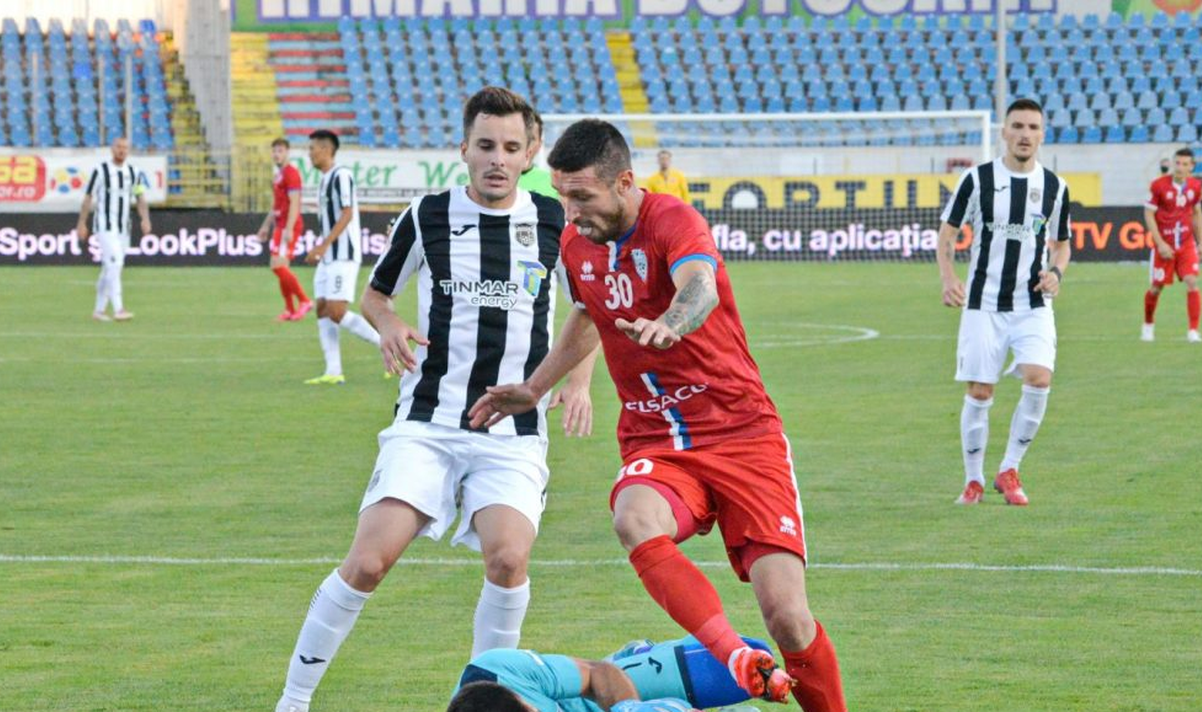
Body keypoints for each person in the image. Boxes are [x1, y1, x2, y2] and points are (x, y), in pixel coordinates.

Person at [469, 119, 846, 712]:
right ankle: (733, 655)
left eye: (582, 196)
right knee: (634, 516)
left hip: (741, 432)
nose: (570, 212)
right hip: (657, 437)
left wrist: (671, 322)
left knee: (788, 619)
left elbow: (700, 286)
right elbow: (587, 315)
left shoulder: (673, 219)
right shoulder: (575, 243)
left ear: (624, 182)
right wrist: (536, 387)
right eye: (563, 196)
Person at [273, 87, 595, 712]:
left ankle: (481, 698)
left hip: (513, 430)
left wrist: (577, 381)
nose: (497, 159)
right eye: (485, 146)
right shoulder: (427, 215)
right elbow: (376, 294)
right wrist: (389, 324)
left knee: (509, 559)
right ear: (463, 148)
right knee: (368, 562)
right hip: (428, 419)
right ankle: (293, 701)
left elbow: (588, 309)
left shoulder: (556, 221)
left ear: (529, 154)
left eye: (510, 148)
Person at [936, 98, 1072, 507]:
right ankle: (973, 479)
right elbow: (947, 235)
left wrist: (1056, 272)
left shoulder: (1055, 187)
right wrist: (949, 278)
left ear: (1042, 135)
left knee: (1039, 378)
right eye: (1018, 126)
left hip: (1032, 303)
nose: (1025, 134)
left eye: (1033, 127)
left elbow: (1061, 244)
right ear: (1004, 132)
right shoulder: (976, 180)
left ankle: (1009, 469)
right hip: (983, 302)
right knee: (980, 391)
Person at [447, 635, 772, 712]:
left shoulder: (498, 668)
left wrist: (630, 709)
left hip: (602, 700)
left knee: (749, 659)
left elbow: (596, 673)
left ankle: (637, 658)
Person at [301, 129, 383, 385]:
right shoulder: (324, 180)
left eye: (312, 148)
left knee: (336, 311)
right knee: (322, 309)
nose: (309, 153)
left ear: (327, 149)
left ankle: (388, 345)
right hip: (329, 257)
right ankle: (333, 371)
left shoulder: (341, 175)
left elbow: (347, 214)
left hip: (343, 255)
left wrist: (323, 245)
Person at [77, 137, 150, 322]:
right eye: (119, 147)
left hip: (123, 228)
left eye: (125, 147)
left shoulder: (134, 172)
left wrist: (145, 219)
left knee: (109, 268)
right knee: (115, 263)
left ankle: (99, 311)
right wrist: (82, 223)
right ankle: (119, 309)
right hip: (104, 226)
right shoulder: (100, 170)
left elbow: (140, 197)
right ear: (112, 149)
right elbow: (88, 197)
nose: (122, 150)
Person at [1142, 147, 1202, 343]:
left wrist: (1201, 243)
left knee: (1192, 281)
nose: (1179, 167)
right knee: (1156, 288)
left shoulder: (1195, 186)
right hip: (1165, 246)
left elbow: (1197, 214)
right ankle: (1148, 325)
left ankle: (1193, 331)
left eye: (1184, 164)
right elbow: (1148, 214)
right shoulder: (1158, 185)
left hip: (1186, 244)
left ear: (1191, 167)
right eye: (1177, 163)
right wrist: (1160, 244)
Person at [257, 137, 313, 322]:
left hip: (288, 225)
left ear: (287, 153)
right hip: (280, 225)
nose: (276, 154)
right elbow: (276, 205)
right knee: (281, 267)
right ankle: (289, 309)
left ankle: (304, 301)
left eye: (280, 151)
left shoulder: (291, 174)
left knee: (277, 265)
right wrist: (266, 225)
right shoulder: (279, 175)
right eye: (274, 151)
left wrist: (289, 228)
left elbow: (295, 203)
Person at [518, 112, 558, 199]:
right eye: (521, 137)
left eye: (531, 139)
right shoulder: (493, 181)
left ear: (539, 144)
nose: (526, 144)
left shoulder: (553, 184)